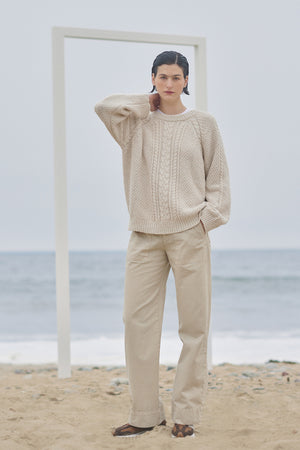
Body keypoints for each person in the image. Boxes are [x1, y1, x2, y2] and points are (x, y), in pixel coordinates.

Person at [94, 50, 231, 439]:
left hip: (190, 233)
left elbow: (218, 179)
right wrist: (146, 102)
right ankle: (144, 413)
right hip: (144, 235)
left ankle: (186, 413)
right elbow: (103, 107)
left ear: (187, 81)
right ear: (152, 79)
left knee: (194, 326)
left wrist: (206, 220)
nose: (170, 84)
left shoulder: (204, 124)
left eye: (176, 77)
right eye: (162, 77)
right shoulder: (134, 124)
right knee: (136, 323)